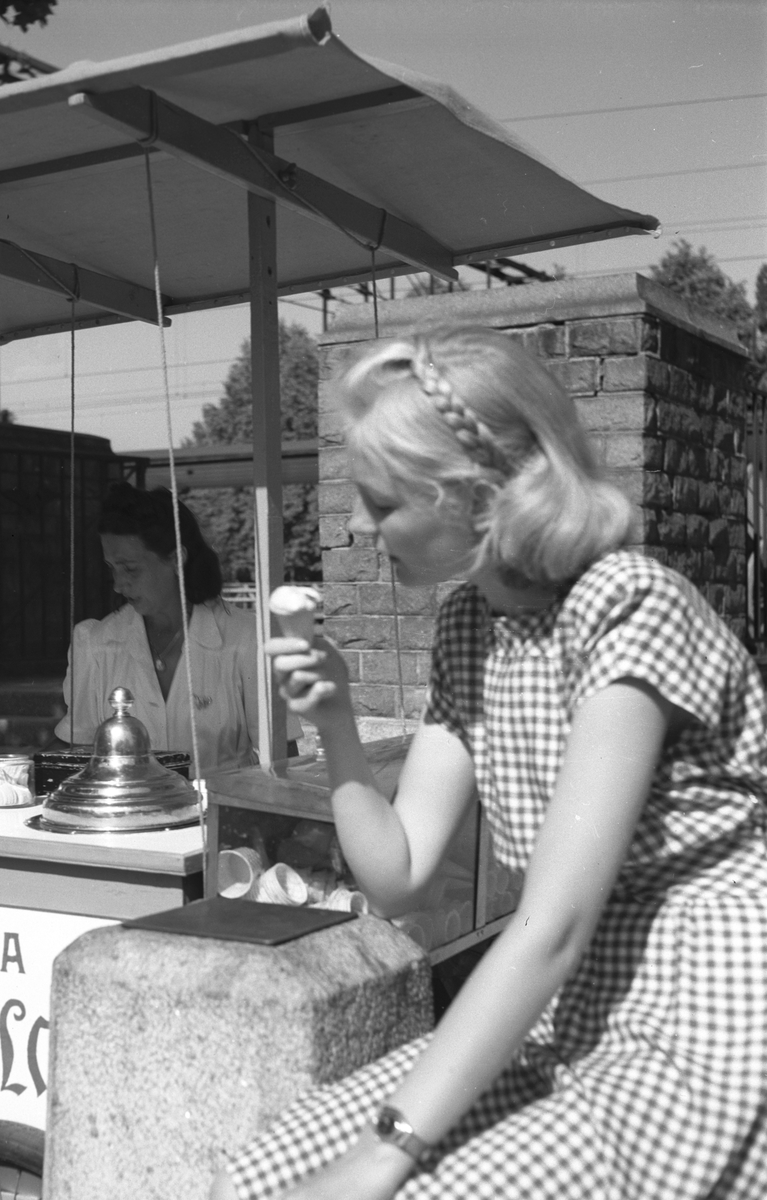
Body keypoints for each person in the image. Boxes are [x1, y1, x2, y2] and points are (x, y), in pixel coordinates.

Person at [213, 326, 767, 1199]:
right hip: (561, 1009)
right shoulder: (471, 626)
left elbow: (552, 924)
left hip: (700, 1016)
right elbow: (399, 877)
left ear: (474, 496)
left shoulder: (627, 606)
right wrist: (336, 725)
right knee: (255, 1176)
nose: (356, 524)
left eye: (380, 500)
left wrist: (383, 1154)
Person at [56, 483, 299, 771]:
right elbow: (78, 753)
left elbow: (283, 762)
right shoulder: (94, 644)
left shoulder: (247, 639)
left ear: (175, 558)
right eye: (112, 568)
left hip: (225, 801)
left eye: (130, 569)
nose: (118, 585)